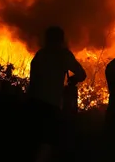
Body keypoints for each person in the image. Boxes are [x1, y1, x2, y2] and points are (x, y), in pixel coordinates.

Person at [27, 26, 87, 162]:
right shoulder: (63, 54)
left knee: (34, 140)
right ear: (61, 39)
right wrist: (73, 79)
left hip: (32, 102)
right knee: (48, 140)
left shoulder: (40, 54)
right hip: (51, 104)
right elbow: (82, 74)